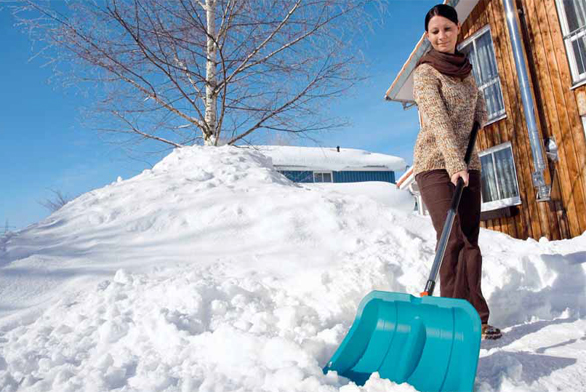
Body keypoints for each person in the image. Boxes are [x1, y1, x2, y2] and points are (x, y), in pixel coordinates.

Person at [412, 4, 501, 340]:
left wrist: (481, 112)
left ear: (457, 28)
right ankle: (449, 319)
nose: (441, 36)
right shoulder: (425, 72)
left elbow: (476, 103)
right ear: (427, 36)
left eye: (447, 29)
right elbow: (438, 120)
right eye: (435, 32)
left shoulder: (466, 68)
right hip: (436, 163)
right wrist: (453, 164)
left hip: (468, 162)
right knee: (451, 240)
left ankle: (475, 318)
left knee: (470, 242)